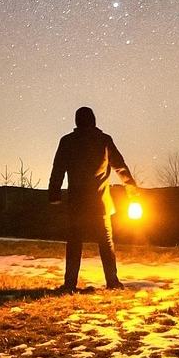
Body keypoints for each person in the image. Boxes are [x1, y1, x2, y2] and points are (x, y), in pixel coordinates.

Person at [48, 105, 137, 291]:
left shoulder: (67, 141)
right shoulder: (104, 141)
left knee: (74, 243)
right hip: (100, 203)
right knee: (106, 242)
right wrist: (132, 190)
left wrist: (54, 192)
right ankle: (112, 281)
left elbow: (58, 169)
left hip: (77, 202)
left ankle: (70, 284)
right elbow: (120, 166)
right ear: (94, 120)